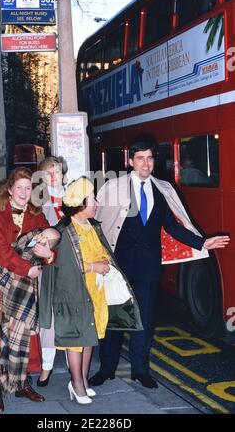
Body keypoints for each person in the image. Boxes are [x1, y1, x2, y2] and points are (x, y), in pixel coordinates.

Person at [89, 134, 230, 389]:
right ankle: (106, 368)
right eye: (140, 158)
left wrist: (202, 242)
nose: (145, 164)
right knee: (114, 321)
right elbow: (96, 224)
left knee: (144, 320)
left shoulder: (163, 189)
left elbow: (172, 227)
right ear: (131, 161)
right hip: (117, 266)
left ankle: (140, 370)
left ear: (154, 161)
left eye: (150, 158)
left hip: (149, 267)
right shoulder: (112, 187)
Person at [39, 177, 142, 404]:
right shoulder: (63, 230)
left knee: (88, 338)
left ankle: (82, 380)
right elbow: (62, 265)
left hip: (94, 292)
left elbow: (102, 250)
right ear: (79, 203)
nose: (96, 202)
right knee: (75, 341)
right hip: (72, 294)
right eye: (92, 198)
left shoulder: (92, 226)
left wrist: (105, 263)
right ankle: (76, 384)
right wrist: (95, 266)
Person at [0, 167, 55, 411]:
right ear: (10, 190)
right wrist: (25, 268)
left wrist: (49, 254)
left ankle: (21, 384)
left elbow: (52, 241)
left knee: (25, 338)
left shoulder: (38, 216)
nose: (23, 192)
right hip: (3, 286)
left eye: (27, 188)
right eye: (18, 187)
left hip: (28, 288)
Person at [33, 156, 67, 387]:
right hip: (49, 267)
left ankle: (78, 372)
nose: (54, 177)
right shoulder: (38, 203)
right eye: (49, 174)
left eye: (57, 172)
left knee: (76, 316)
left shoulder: (76, 197)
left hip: (74, 267)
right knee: (48, 319)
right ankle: (46, 367)